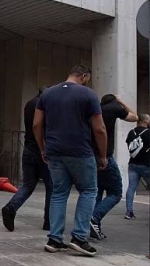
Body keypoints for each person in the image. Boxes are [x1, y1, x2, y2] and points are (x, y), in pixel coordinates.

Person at [34, 65, 107, 257]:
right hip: (80, 151)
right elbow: (99, 129)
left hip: (54, 151)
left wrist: (43, 148)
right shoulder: (88, 94)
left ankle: (54, 239)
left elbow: (36, 124)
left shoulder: (47, 94)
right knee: (89, 190)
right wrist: (103, 155)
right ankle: (79, 238)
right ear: (83, 76)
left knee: (58, 193)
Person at [2, 86, 51, 232]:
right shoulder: (45, 105)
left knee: (28, 185)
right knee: (52, 187)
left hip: (28, 149)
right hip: (42, 150)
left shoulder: (29, 103)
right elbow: (41, 126)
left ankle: (11, 207)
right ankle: (48, 222)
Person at [89, 94, 138, 240]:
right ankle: (94, 218)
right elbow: (134, 117)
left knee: (97, 192)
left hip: (91, 156)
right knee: (116, 192)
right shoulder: (114, 108)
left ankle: (94, 225)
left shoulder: (95, 109)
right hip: (105, 156)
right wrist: (121, 101)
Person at [124, 114, 150, 220]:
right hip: (146, 165)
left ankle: (129, 212)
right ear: (145, 120)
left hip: (132, 164)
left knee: (131, 188)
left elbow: (130, 147)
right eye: (149, 119)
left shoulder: (131, 132)